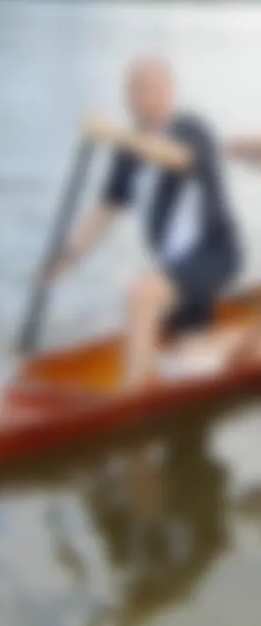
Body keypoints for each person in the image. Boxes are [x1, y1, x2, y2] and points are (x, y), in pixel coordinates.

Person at [43, 56, 243, 387]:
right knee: (190, 354)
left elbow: (176, 158)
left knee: (141, 295)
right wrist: (67, 258)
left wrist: (116, 134)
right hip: (174, 267)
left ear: (167, 92)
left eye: (143, 88)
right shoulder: (127, 151)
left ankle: (132, 406)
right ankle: (246, 340)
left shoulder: (192, 129)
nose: (134, 97)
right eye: (130, 89)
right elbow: (105, 211)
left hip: (215, 256)